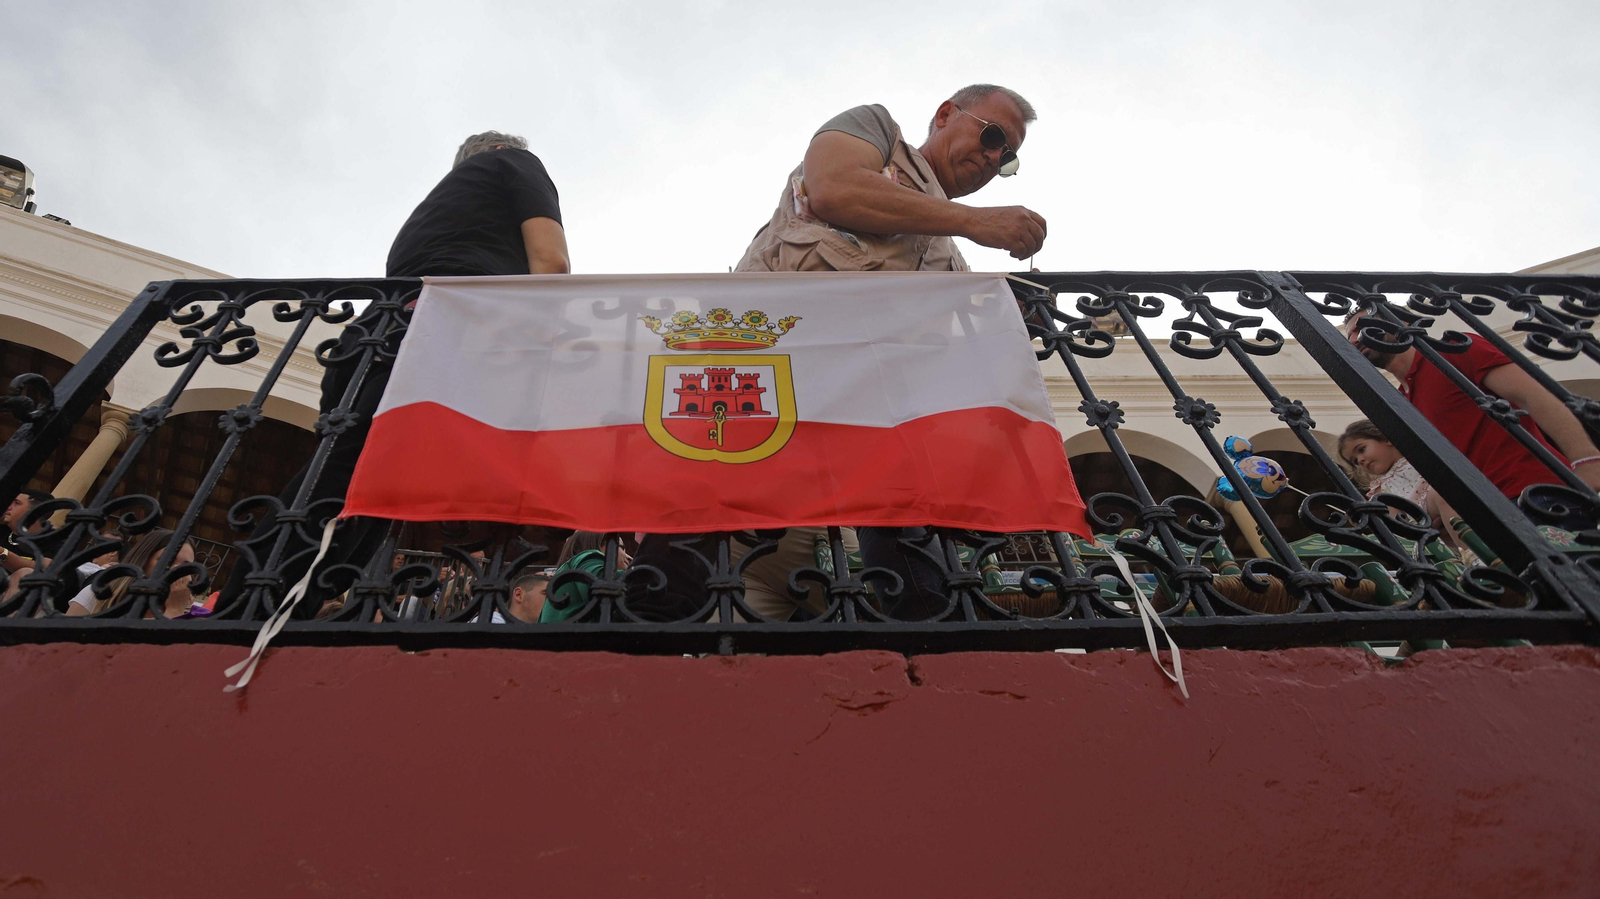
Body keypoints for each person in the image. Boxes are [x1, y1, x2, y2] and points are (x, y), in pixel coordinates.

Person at [632, 84, 1045, 621]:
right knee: (708, 504)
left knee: (906, 518)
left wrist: (1013, 318)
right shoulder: (877, 131)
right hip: (773, 371)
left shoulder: (950, 261)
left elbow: (951, 359)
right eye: (992, 137)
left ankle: (930, 637)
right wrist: (978, 221)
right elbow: (833, 188)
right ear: (946, 114)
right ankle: (645, 634)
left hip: (867, 409)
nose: (994, 158)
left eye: (1007, 157)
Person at [220, 131, 570, 616]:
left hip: (376, 333)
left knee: (352, 470)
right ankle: (266, 608)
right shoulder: (512, 161)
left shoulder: (438, 209)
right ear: (498, 148)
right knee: (373, 482)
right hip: (443, 326)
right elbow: (551, 262)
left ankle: (259, 599)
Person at [1343, 310, 1600, 528]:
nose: (1355, 339)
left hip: (1539, 494)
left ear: (1402, 322)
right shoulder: (1400, 402)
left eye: (1361, 328)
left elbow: (1532, 396)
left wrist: (1586, 459)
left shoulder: (1451, 351)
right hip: (1488, 519)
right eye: (1349, 336)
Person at [89, 528, 208, 619]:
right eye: (167, 560)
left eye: (186, 567)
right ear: (144, 561)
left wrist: (176, 610)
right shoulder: (98, 593)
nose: (176, 571)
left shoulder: (196, 619)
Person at [2, 489, 53, 601]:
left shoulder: (53, 541)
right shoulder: (3, 531)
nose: (9, 507)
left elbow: (44, 569)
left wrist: (3, 554)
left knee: (26, 574)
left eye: (16, 503)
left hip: (12, 593)